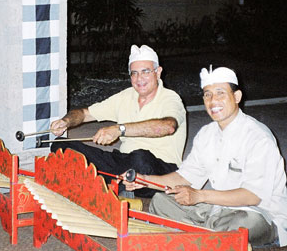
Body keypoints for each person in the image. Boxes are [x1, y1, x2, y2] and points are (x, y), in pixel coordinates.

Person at [125, 66, 287, 247]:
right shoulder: (207, 134)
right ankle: (207, 238)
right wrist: (144, 180)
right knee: (160, 201)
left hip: (259, 214)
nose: (213, 101)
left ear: (236, 97)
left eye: (220, 93)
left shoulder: (258, 137)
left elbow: (252, 196)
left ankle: (198, 236)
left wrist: (200, 196)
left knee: (243, 225)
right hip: (219, 209)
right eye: (207, 95)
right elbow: (184, 177)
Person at [49, 45, 187, 198]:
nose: (139, 78)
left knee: (140, 158)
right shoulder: (125, 96)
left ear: (158, 72)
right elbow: (84, 113)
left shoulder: (170, 98)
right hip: (124, 163)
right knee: (61, 145)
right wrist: (66, 121)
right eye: (134, 73)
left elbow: (168, 127)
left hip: (159, 169)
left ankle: (105, 183)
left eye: (145, 72)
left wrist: (119, 129)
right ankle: (113, 183)